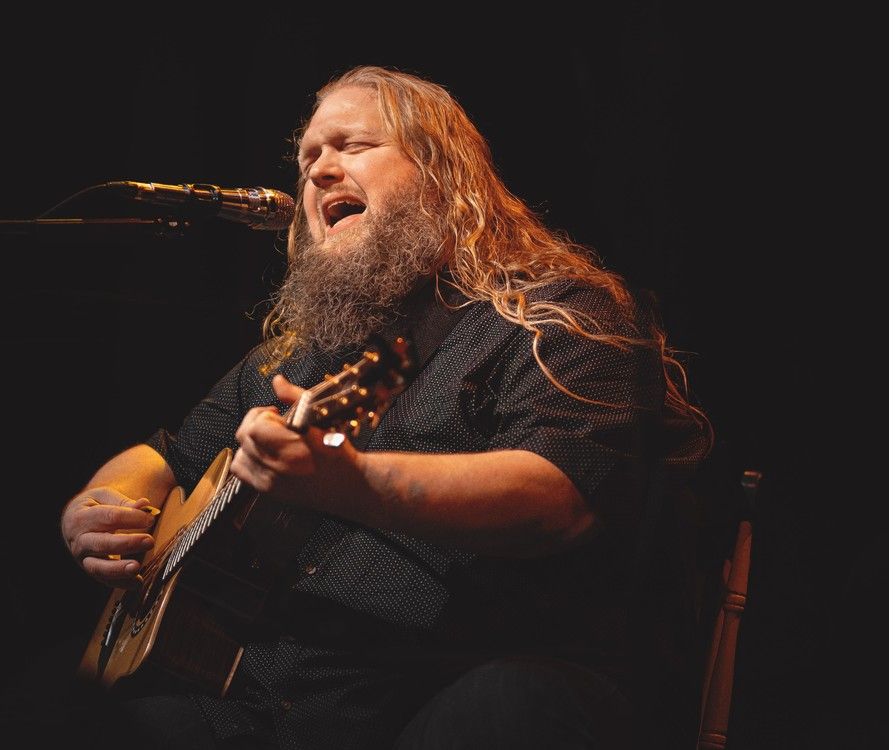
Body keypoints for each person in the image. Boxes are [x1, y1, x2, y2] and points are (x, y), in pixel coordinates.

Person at [58, 66, 711, 749]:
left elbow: (558, 497)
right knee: (54, 715)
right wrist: (101, 503)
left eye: (353, 145)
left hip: (445, 693)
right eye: (309, 157)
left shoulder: (558, 321)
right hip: (262, 704)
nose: (317, 171)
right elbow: (166, 456)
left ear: (442, 173)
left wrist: (354, 484)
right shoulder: (298, 357)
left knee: (508, 708)